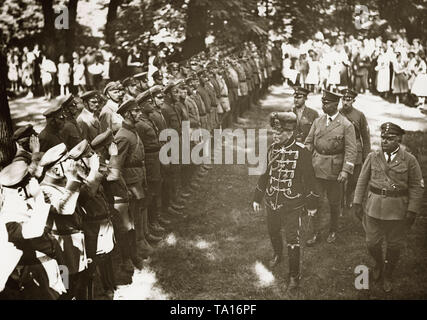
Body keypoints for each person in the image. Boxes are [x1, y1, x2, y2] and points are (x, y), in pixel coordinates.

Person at [353, 122, 424, 292]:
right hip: (374, 207)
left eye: (389, 138)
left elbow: (416, 185)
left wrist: (412, 210)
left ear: (398, 140)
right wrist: (357, 202)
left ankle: (388, 273)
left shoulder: (409, 160)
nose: (384, 141)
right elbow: (362, 180)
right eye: (383, 138)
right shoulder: (373, 156)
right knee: (371, 243)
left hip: (397, 210)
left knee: (394, 245)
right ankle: (378, 263)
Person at [252, 112, 319, 291]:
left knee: (293, 239)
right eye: (274, 131)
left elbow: (310, 179)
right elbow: (265, 174)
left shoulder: (302, 151)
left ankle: (294, 276)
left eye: (279, 132)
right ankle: (277, 254)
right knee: (273, 231)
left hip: (292, 204)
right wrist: (257, 197)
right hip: (272, 200)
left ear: (289, 132)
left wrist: (312, 205)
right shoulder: (272, 149)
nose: (275, 135)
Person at [304, 90, 357, 245]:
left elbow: (351, 150)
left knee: (334, 203)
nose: (323, 105)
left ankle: (333, 230)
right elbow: (309, 141)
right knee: (316, 201)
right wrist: (306, 153)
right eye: (323, 102)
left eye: (326, 103)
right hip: (317, 167)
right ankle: (316, 232)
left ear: (336, 104)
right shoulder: (318, 121)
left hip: (335, 171)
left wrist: (346, 171)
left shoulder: (346, 125)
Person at [339, 88, 371, 208]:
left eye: (348, 100)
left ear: (353, 101)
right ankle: (340, 202)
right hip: (340, 150)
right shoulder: (338, 113)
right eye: (343, 99)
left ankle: (349, 197)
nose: (345, 102)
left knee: (354, 179)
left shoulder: (359, 115)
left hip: (356, 151)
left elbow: (365, 137)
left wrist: (366, 155)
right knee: (340, 179)